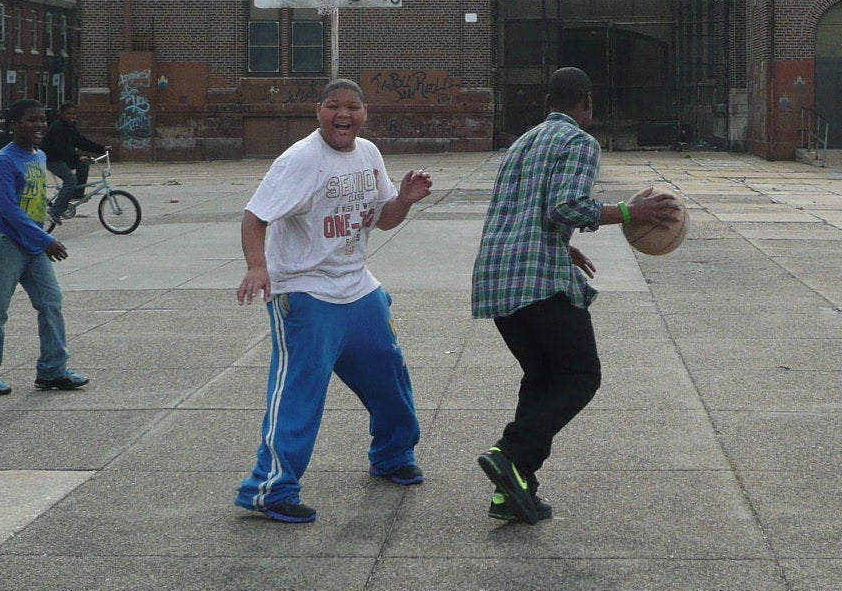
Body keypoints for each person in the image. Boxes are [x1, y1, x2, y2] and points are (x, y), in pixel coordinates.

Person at [470, 67, 679, 524]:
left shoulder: (522, 142)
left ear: (548, 102)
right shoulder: (580, 141)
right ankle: (509, 453)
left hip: (497, 276)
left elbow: (520, 208)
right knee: (581, 375)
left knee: (543, 379)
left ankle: (513, 492)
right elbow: (564, 204)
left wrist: (564, 245)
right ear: (586, 102)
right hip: (536, 280)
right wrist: (630, 210)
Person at [234, 79, 432, 523]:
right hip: (306, 292)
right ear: (317, 110)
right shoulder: (300, 160)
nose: (343, 116)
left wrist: (403, 199)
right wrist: (257, 267)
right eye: (333, 107)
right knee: (300, 392)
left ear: (365, 112)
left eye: (352, 108)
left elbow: (382, 221)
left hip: (357, 287)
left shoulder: (368, 154)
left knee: (389, 374)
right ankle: (270, 488)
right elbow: (255, 216)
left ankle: (393, 455)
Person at [0, 99, 87, 395]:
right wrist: (46, 240)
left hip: (32, 244)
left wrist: (44, 228)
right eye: (32, 120)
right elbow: (8, 209)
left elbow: (36, 203)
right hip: (5, 242)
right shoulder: (5, 160)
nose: (40, 125)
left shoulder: (39, 156)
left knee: (51, 301)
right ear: (15, 124)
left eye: (43, 120)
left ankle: (53, 370)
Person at [44, 102, 109, 227]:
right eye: (68, 113)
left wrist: (102, 148)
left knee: (84, 165)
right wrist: (78, 157)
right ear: (61, 114)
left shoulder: (71, 127)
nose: (72, 116)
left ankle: (76, 194)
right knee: (70, 180)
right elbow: (61, 149)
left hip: (63, 158)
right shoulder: (57, 127)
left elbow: (81, 142)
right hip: (52, 159)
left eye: (74, 114)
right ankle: (55, 212)